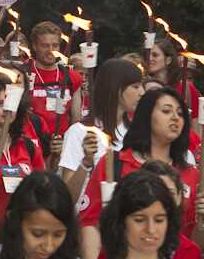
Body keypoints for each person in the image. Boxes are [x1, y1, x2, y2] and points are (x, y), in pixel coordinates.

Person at [79, 88, 204, 259]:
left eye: (180, 113)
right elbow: (90, 225)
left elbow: (196, 244)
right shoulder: (115, 164)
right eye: (166, 111)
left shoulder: (191, 175)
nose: (175, 118)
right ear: (146, 116)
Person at [59, 59, 144, 202]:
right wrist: (86, 162)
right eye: (135, 86)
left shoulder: (138, 133)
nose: (142, 92)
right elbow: (67, 198)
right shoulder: (79, 132)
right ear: (116, 88)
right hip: (86, 219)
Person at [0, 75, 47, 224]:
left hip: (22, 229)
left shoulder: (28, 146)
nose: (7, 109)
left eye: (11, 103)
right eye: (0, 103)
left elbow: (43, 187)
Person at [26, 21, 83, 137]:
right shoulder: (22, 73)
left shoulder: (72, 77)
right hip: (31, 144)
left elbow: (76, 121)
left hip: (61, 144)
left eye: (55, 45)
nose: (51, 51)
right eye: (45, 45)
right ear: (35, 46)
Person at [147, 38, 200, 121]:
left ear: (168, 60)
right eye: (148, 55)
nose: (149, 59)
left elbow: (195, 120)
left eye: (155, 55)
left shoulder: (186, 87)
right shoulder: (144, 88)